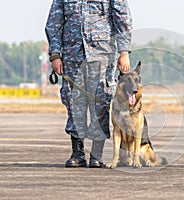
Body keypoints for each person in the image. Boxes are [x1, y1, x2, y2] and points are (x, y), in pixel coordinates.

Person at [45, 0, 132, 168]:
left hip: (102, 53)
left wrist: (124, 52)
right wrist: (55, 54)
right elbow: (54, 22)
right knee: (73, 102)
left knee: (101, 100)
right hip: (72, 54)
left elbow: (122, 18)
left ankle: (96, 154)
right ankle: (77, 153)